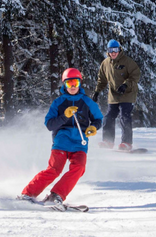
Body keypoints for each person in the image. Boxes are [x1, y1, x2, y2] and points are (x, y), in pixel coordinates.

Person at [19, 68, 103, 210]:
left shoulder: (87, 102)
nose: (73, 87)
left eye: (75, 82)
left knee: (79, 168)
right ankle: (27, 194)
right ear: (64, 85)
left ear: (80, 83)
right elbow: (49, 124)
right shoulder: (58, 102)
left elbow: (99, 119)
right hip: (61, 141)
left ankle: (56, 195)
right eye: (69, 83)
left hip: (80, 142)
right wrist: (65, 116)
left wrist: (93, 127)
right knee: (54, 170)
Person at [92, 40, 140, 151]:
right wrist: (97, 92)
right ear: (108, 51)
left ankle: (126, 142)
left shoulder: (127, 62)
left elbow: (135, 76)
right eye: (110, 50)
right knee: (108, 116)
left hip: (127, 93)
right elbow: (102, 80)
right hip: (113, 95)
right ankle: (108, 141)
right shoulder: (105, 63)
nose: (113, 53)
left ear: (119, 50)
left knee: (124, 115)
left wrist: (125, 85)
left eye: (115, 50)